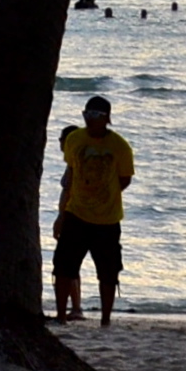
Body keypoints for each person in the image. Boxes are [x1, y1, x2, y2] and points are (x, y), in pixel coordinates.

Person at [53, 94, 134, 328]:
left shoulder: (119, 146)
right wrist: (61, 214)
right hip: (76, 213)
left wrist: (103, 195)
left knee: (108, 272)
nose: (90, 119)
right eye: (86, 114)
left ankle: (106, 319)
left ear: (107, 118)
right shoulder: (74, 139)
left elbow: (125, 179)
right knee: (64, 267)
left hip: (107, 219)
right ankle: (60, 316)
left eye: (96, 115)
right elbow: (71, 172)